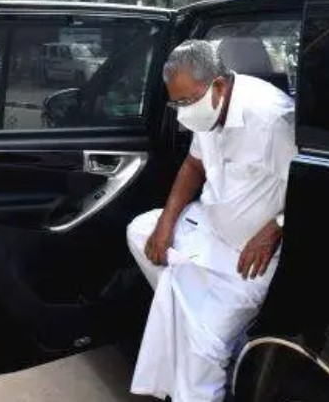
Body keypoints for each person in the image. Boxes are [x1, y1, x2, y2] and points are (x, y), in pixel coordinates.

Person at [126, 40, 297, 402]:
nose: (181, 114)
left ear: (219, 85)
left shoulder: (273, 119)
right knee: (141, 230)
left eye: (186, 102)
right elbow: (193, 165)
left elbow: (312, 185)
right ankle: (191, 313)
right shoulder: (207, 108)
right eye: (175, 103)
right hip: (205, 230)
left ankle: (197, 328)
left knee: (202, 353)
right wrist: (166, 223)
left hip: (247, 255)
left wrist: (274, 227)